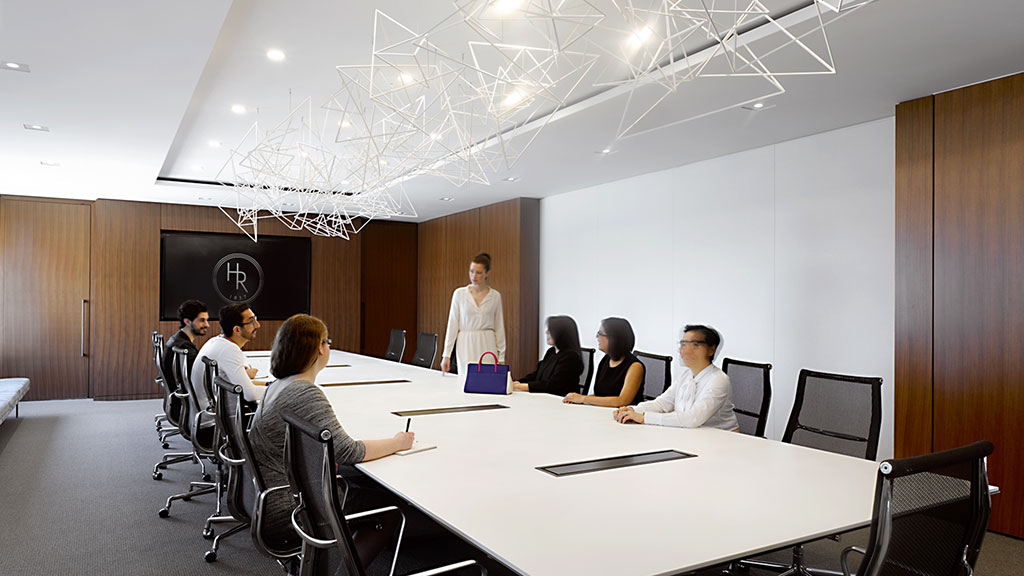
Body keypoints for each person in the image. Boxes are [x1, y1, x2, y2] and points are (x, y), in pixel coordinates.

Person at [249, 313, 413, 560]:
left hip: (272, 497)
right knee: (387, 507)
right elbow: (349, 452)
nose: (329, 346)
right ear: (320, 348)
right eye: (328, 341)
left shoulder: (277, 385)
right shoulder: (304, 392)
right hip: (291, 509)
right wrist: (397, 442)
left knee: (358, 481)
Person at [614, 324, 738, 430]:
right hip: (691, 436)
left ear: (712, 350)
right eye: (683, 344)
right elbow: (662, 404)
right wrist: (632, 410)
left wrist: (644, 417)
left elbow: (693, 418)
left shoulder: (718, 379)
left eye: (695, 344)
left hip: (721, 441)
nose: (685, 350)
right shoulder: (686, 375)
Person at [440, 252, 507, 376]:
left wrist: (501, 356)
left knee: (487, 381)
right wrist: (446, 355)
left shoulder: (495, 297)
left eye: (479, 272)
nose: (474, 276)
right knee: (466, 380)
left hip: (487, 343)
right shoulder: (459, 294)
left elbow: (499, 328)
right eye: (471, 271)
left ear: (487, 273)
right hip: (465, 343)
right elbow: (452, 325)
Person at [192, 303, 266, 413]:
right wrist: (279, 389)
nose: (257, 325)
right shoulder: (229, 350)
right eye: (251, 321)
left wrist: (269, 385)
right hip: (215, 420)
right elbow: (250, 394)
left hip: (207, 412)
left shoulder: (216, 341)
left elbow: (238, 384)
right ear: (237, 329)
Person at [563, 317, 644, 407]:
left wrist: (582, 398)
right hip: (603, 412)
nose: (597, 337)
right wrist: (577, 399)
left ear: (614, 338)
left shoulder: (635, 366)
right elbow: (600, 395)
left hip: (623, 416)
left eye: (600, 333)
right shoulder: (606, 359)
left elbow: (622, 401)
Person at [513, 315, 584, 396]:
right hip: (545, 397)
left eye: (551, 330)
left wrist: (521, 386)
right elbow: (537, 374)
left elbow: (553, 385)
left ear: (562, 334)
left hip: (560, 401)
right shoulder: (551, 351)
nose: (546, 332)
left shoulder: (571, 357)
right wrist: (518, 382)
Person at [162, 299, 209, 388]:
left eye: (207, 320)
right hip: (186, 397)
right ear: (187, 322)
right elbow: (200, 376)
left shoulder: (178, 339)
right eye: (202, 320)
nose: (207, 324)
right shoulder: (184, 347)